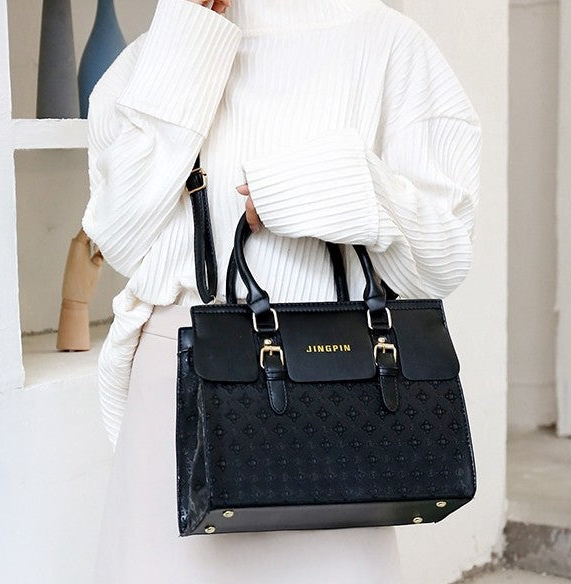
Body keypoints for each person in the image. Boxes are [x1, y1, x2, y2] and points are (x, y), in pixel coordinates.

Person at [81, 0, 482, 582]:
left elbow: (442, 259)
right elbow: (119, 235)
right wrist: (186, 42)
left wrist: (331, 187)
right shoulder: (152, 54)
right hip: (183, 385)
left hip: (341, 395)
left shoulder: (391, 44)